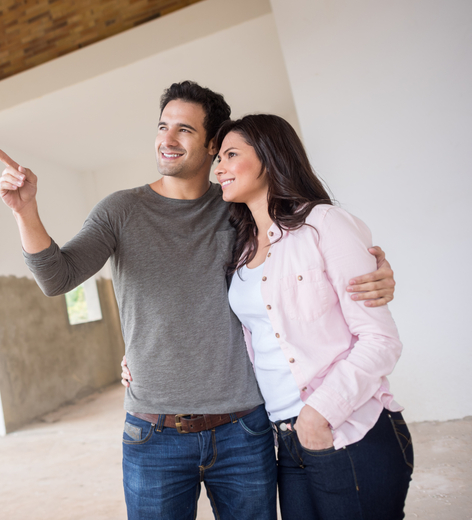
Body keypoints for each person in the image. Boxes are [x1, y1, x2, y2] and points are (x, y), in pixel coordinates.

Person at [0, 82, 396, 520]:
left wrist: (377, 270)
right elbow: (57, 277)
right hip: (153, 431)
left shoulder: (238, 207)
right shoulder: (120, 211)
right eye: (163, 126)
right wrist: (25, 211)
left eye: (184, 130)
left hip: (245, 427)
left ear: (212, 145)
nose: (167, 140)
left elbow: (302, 253)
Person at [123, 113, 412, 519]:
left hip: (347, 426)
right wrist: (141, 353)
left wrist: (319, 414)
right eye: (218, 157)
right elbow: (211, 320)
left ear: (270, 158)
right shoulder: (241, 249)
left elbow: (381, 340)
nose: (218, 167)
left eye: (231, 155)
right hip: (284, 439)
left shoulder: (324, 224)